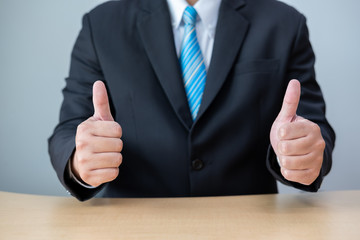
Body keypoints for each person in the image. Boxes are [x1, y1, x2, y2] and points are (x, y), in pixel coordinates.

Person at [48, 0, 335, 201]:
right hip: (135, 223)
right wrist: (79, 161)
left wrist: (302, 149)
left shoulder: (285, 24)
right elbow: (69, 128)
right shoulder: (101, 25)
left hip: (248, 224)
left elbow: (312, 126)